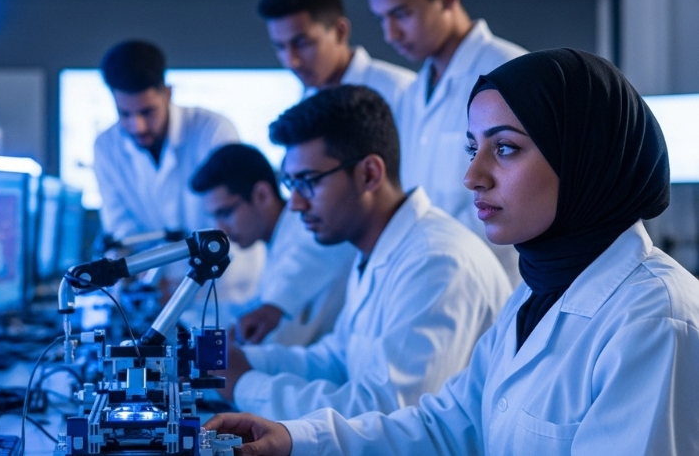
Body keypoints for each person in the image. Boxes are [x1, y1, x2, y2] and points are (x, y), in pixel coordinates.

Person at [206, 49, 699, 456]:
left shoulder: (653, 320)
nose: (473, 176)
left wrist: (248, 381)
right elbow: (449, 424)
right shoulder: (537, 294)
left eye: (504, 148)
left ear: (585, 155)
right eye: (472, 148)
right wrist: (295, 439)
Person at [217, 85, 511, 420]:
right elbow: (339, 360)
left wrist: (245, 385)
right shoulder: (376, 250)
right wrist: (247, 361)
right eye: (291, 185)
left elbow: (391, 414)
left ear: (369, 174)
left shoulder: (437, 261)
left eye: (308, 182)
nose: (296, 205)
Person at [351, 0, 527, 284]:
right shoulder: (414, 93)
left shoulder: (512, 72)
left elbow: (529, 195)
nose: (390, 34)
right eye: (381, 18)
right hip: (427, 282)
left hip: (496, 283)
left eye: (401, 14)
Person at [190, 143, 356, 346]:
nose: (221, 229)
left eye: (226, 213)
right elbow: (253, 309)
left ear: (262, 195)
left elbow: (278, 329)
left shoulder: (308, 232)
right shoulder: (278, 242)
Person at [92, 40, 239, 241]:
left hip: (226, 269)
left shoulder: (212, 131)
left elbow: (230, 221)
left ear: (168, 93)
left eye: (147, 112)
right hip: (153, 272)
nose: (138, 126)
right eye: (124, 114)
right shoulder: (106, 147)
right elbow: (122, 229)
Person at [258, 0, 414, 105]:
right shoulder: (306, 102)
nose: (292, 61)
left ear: (340, 31)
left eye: (302, 43)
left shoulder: (400, 92)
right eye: (280, 47)